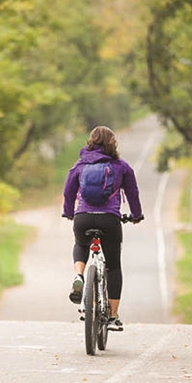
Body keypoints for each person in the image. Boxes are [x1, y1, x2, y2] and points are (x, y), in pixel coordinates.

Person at [61, 125, 144, 331]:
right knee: (113, 266)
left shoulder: (80, 165)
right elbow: (132, 193)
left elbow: (68, 191)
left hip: (83, 218)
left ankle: (79, 276)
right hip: (110, 220)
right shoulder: (121, 166)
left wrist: (69, 212)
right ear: (112, 144)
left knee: (81, 244)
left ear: (90, 142)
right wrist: (136, 215)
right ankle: (113, 317)